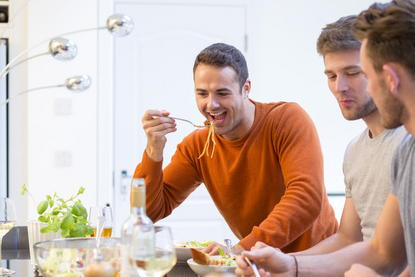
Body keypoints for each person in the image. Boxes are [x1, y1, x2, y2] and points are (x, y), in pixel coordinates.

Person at [235, 0, 415, 277]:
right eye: (331, 76)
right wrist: (290, 266)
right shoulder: (398, 153)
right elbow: (381, 251)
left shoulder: (404, 144)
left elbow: (389, 263)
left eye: (358, 73)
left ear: (391, 78)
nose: (339, 87)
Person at [133, 43, 338, 255]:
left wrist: (241, 250)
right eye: (202, 94)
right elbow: (147, 213)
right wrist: (153, 149)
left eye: (222, 93)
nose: (211, 105)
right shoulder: (198, 146)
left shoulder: (286, 120)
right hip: (258, 269)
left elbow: (305, 198)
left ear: (246, 88)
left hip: (316, 266)